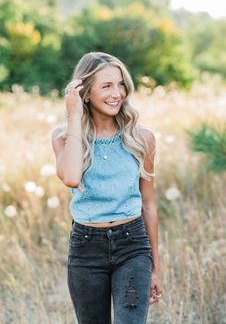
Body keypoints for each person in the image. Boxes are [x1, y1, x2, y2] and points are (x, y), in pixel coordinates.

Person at [51, 52, 163, 324]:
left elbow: (148, 204)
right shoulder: (64, 137)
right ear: (85, 93)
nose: (118, 93)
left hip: (133, 245)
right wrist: (74, 116)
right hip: (86, 248)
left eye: (121, 84)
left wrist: (156, 269)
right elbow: (71, 178)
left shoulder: (141, 138)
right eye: (107, 86)